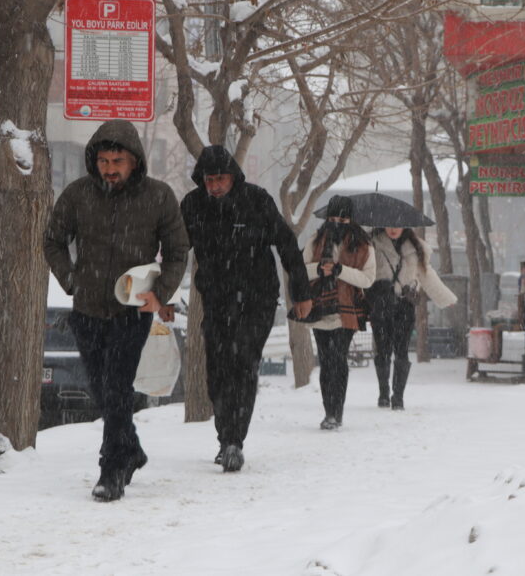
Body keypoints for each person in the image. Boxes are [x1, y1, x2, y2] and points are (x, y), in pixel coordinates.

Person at [43, 119, 189, 502]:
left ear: (134, 161)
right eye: (104, 161)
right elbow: (53, 241)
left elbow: (178, 252)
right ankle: (132, 449)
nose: (110, 169)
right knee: (102, 389)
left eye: (117, 161)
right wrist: (71, 281)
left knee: (117, 387)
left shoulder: (158, 197)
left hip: (132, 311)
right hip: (87, 309)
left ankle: (111, 471)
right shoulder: (78, 195)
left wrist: (160, 294)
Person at [180, 146, 313, 473]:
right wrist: (157, 290)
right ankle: (225, 436)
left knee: (243, 363)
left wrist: (300, 292)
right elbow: (174, 250)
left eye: (221, 179)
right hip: (216, 299)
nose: (215, 186)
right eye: (209, 180)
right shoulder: (193, 206)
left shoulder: (256, 200)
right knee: (217, 370)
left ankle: (234, 441)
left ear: (233, 177)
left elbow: (286, 244)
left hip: (258, 298)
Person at [300, 196, 375, 430]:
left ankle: (337, 411)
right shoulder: (316, 240)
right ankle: (329, 412)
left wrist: (340, 270)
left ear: (351, 220)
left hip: (347, 310)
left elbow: (368, 279)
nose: (337, 224)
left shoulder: (363, 246)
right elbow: (300, 270)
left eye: (342, 220)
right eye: (332, 218)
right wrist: (319, 270)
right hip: (320, 309)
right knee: (326, 360)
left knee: (338, 358)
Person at [368, 227, 457, 410]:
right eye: (389, 225)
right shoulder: (372, 244)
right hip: (381, 304)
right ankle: (384, 392)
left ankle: (398, 397)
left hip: (405, 305)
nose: (393, 229)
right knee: (383, 350)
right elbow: (365, 272)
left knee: (402, 351)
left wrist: (445, 297)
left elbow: (427, 274)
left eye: (397, 225)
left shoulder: (416, 248)